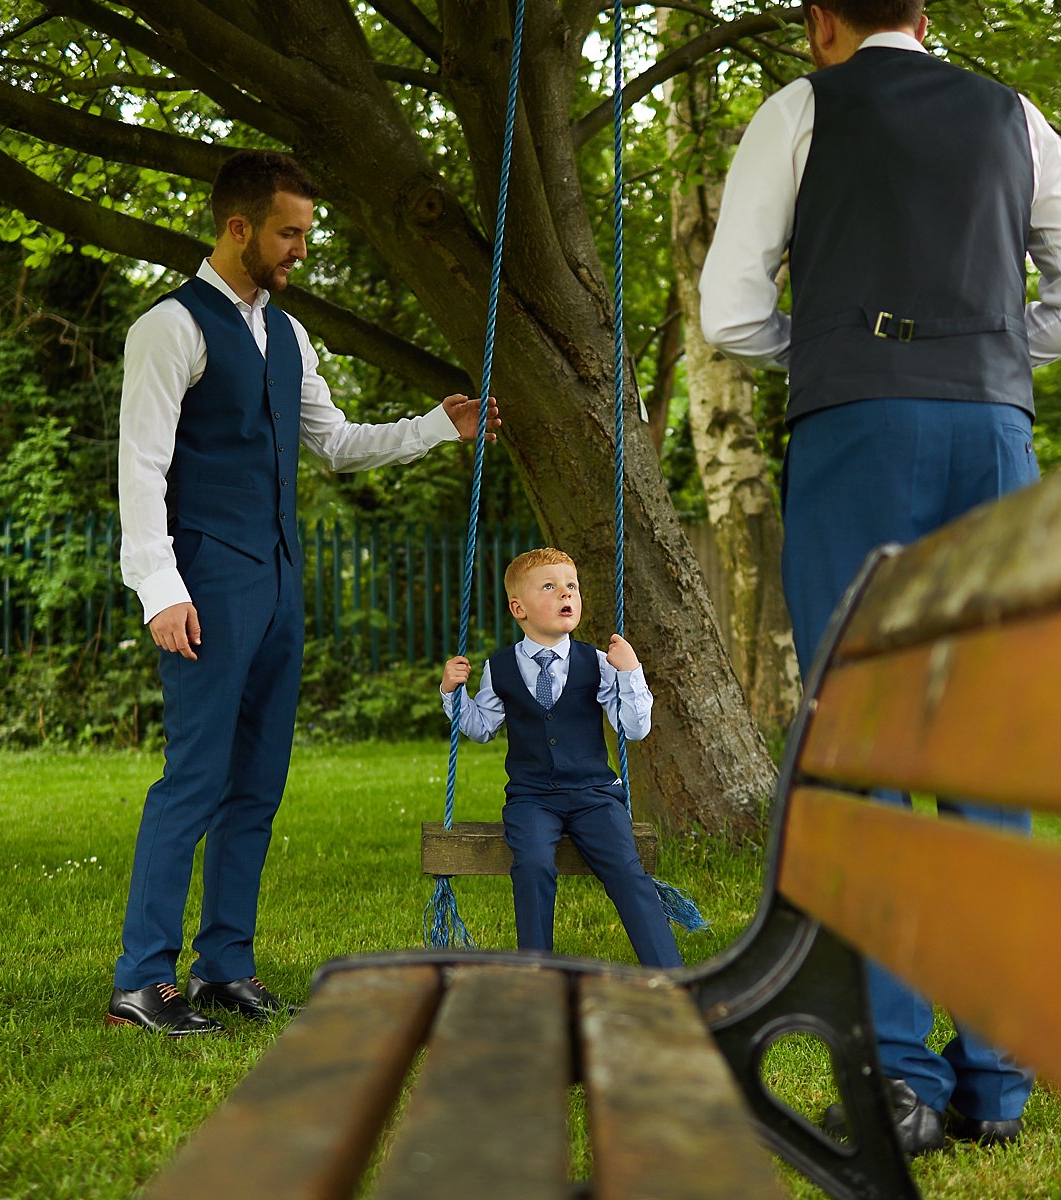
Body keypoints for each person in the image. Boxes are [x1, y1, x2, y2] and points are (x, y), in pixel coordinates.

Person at [698, 0, 1061, 1156]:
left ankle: (899, 1082)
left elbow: (730, 313)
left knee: (866, 746)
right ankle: (997, 1081)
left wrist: (841, 357)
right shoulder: (1016, 114)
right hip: (994, 433)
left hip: (859, 434)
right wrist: (977, 353)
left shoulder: (798, 111)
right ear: (926, 17)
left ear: (819, 21)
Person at [110, 148, 501, 1036]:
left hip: (280, 582)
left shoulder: (288, 335)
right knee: (196, 780)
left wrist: (440, 427)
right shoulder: (168, 328)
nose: (299, 251)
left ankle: (224, 967)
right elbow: (141, 468)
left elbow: (335, 441)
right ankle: (141, 979)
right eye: (288, 234)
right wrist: (160, 589)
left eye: (306, 235)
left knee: (258, 784)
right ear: (238, 226)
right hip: (204, 581)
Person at [439, 548, 683, 969]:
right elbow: (480, 728)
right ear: (519, 608)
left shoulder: (601, 663)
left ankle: (671, 978)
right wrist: (451, 691)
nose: (565, 594)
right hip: (532, 798)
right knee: (532, 867)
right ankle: (537, 977)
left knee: (628, 873)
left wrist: (631, 672)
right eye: (549, 587)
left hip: (595, 795)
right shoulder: (500, 668)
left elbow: (635, 727)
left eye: (571, 585)